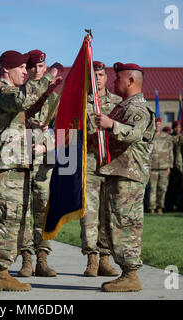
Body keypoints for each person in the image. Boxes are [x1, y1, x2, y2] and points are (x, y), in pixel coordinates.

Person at [0, 50, 62, 291]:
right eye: (22, 68)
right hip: (6, 168)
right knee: (8, 218)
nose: (26, 72)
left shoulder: (8, 93)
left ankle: (1, 271)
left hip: (15, 166)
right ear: (7, 70)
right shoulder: (2, 92)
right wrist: (48, 77)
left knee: (15, 219)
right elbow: (21, 100)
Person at [92, 62, 156, 292]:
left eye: (118, 77)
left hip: (129, 176)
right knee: (114, 225)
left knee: (126, 225)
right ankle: (125, 273)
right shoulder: (122, 107)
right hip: (116, 173)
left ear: (130, 80)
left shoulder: (138, 109)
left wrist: (111, 124)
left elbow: (134, 134)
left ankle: (131, 275)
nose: (114, 80)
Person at [16, 49, 58, 278]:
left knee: (42, 211)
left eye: (42, 67)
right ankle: (26, 260)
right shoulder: (19, 94)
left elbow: (65, 131)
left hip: (43, 164)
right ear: (28, 69)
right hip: (21, 161)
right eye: (34, 67)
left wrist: (46, 146)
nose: (38, 71)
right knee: (22, 212)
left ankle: (42, 258)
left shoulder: (53, 97)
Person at [81, 61, 121, 278]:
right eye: (94, 74)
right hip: (89, 163)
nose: (97, 78)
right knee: (89, 213)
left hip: (111, 164)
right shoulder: (81, 102)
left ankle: (105, 258)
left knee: (108, 212)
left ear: (107, 78)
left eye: (101, 74)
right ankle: (92, 259)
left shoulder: (117, 102)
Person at [148, 118, 173, 214]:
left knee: (162, 188)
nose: (157, 126)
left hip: (164, 166)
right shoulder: (149, 136)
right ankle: (152, 207)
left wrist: (169, 166)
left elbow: (170, 152)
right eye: (156, 124)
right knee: (152, 188)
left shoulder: (166, 137)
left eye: (159, 124)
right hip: (152, 167)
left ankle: (160, 207)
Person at [165, 120, 183, 212]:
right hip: (171, 166)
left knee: (181, 188)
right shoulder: (169, 138)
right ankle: (169, 206)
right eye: (176, 127)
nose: (177, 129)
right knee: (170, 188)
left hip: (181, 167)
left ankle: (180, 206)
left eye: (179, 127)